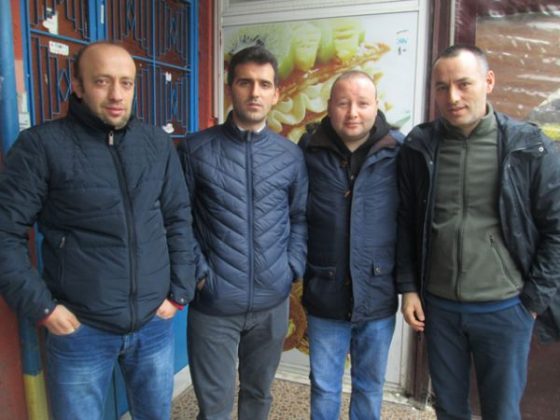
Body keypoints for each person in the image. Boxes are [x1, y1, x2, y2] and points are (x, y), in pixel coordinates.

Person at [0, 41, 196, 419]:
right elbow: (5, 234)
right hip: (80, 329)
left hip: (153, 322)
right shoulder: (41, 146)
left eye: (126, 83)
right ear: (78, 85)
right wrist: (43, 309)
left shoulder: (155, 143)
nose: (116, 95)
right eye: (102, 81)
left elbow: (178, 218)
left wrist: (179, 293)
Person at [397, 44, 560, 420]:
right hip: (439, 309)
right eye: (442, 87)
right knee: (449, 410)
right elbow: (405, 222)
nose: (452, 97)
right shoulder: (420, 146)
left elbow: (556, 229)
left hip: (505, 308)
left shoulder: (529, 147)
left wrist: (533, 301)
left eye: (463, 84)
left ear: (488, 81)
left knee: (501, 411)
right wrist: (409, 288)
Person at [177, 45, 308, 420]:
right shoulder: (195, 150)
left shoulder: (290, 155)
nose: (255, 92)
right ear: (229, 87)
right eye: (245, 82)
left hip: (272, 303)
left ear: (276, 93)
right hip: (214, 305)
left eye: (264, 84)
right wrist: (200, 274)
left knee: (258, 395)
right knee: (214, 408)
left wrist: (291, 268)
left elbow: (299, 217)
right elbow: (178, 219)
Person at [299, 71, 403, 420]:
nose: (353, 113)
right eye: (343, 103)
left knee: (370, 386)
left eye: (362, 103)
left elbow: (409, 222)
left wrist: (409, 286)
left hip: (378, 292)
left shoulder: (399, 151)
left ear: (377, 106)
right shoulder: (308, 149)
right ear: (329, 106)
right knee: (324, 387)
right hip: (325, 292)